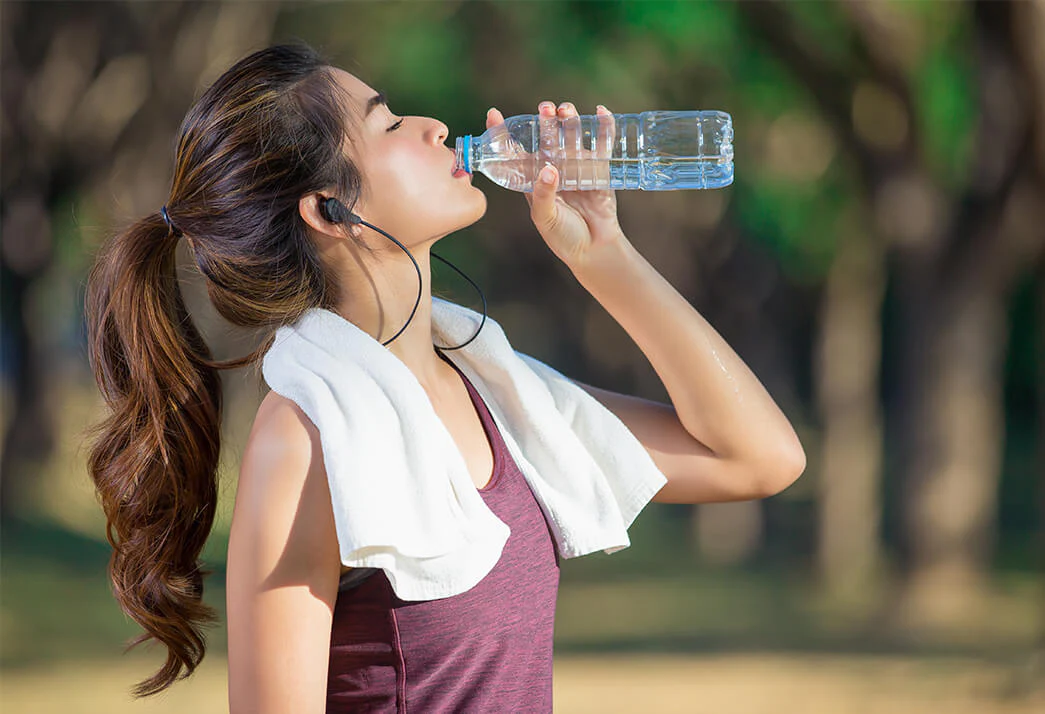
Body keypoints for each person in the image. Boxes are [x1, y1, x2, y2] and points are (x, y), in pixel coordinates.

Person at [83, 41, 806, 713]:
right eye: (389, 123)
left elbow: (758, 457)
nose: (433, 126)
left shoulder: (497, 393)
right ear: (330, 211)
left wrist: (603, 254)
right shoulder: (306, 437)